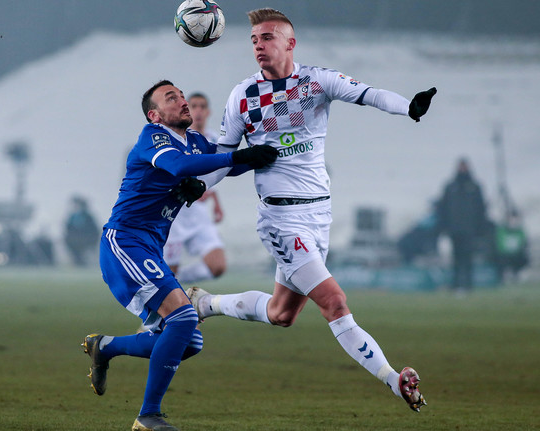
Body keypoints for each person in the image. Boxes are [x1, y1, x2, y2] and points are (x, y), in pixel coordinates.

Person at [189, 8, 436, 413]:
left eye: (267, 37)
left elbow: (370, 94)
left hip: (319, 215)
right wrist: (201, 182)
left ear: (290, 43)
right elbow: (222, 160)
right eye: (253, 39)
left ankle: (205, 304)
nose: (258, 45)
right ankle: (394, 380)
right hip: (281, 220)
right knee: (335, 302)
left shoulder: (316, 81)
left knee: (281, 313)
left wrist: (408, 106)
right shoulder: (243, 96)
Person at [81, 79, 278, 431]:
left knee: (190, 342)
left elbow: (222, 165)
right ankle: (148, 416)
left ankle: (106, 346)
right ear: (155, 115)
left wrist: (260, 154)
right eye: (172, 98)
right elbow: (178, 166)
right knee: (184, 320)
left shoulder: (196, 142)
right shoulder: (152, 137)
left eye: (182, 95)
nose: (183, 101)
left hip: (148, 248)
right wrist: (237, 156)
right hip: (124, 243)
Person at [164, 93, 227, 283]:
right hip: (175, 215)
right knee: (169, 271)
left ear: (208, 112)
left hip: (198, 214)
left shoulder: (213, 139)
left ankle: (178, 281)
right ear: (187, 110)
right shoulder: (175, 137)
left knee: (218, 266)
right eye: (194, 106)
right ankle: (169, 285)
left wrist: (216, 203)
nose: (198, 111)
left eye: (202, 106)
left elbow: (213, 174)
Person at [436, 158, 488, 292]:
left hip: (470, 230)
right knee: (456, 258)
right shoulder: (450, 187)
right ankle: (455, 284)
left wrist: (480, 229)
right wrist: (444, 227)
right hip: (454, 229)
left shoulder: (475, 187)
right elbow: (443, 209)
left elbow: (481, 209)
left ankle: (468, 285)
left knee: (468, 258)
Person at [64, 195, 100, 266]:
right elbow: (68, 229)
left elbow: (94, 230)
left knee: (79, 243)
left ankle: (81, 260)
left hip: (87, 239)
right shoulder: (72, 217)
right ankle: (78, 260)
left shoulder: (88, 217)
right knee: (71, 242)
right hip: (74, 240)